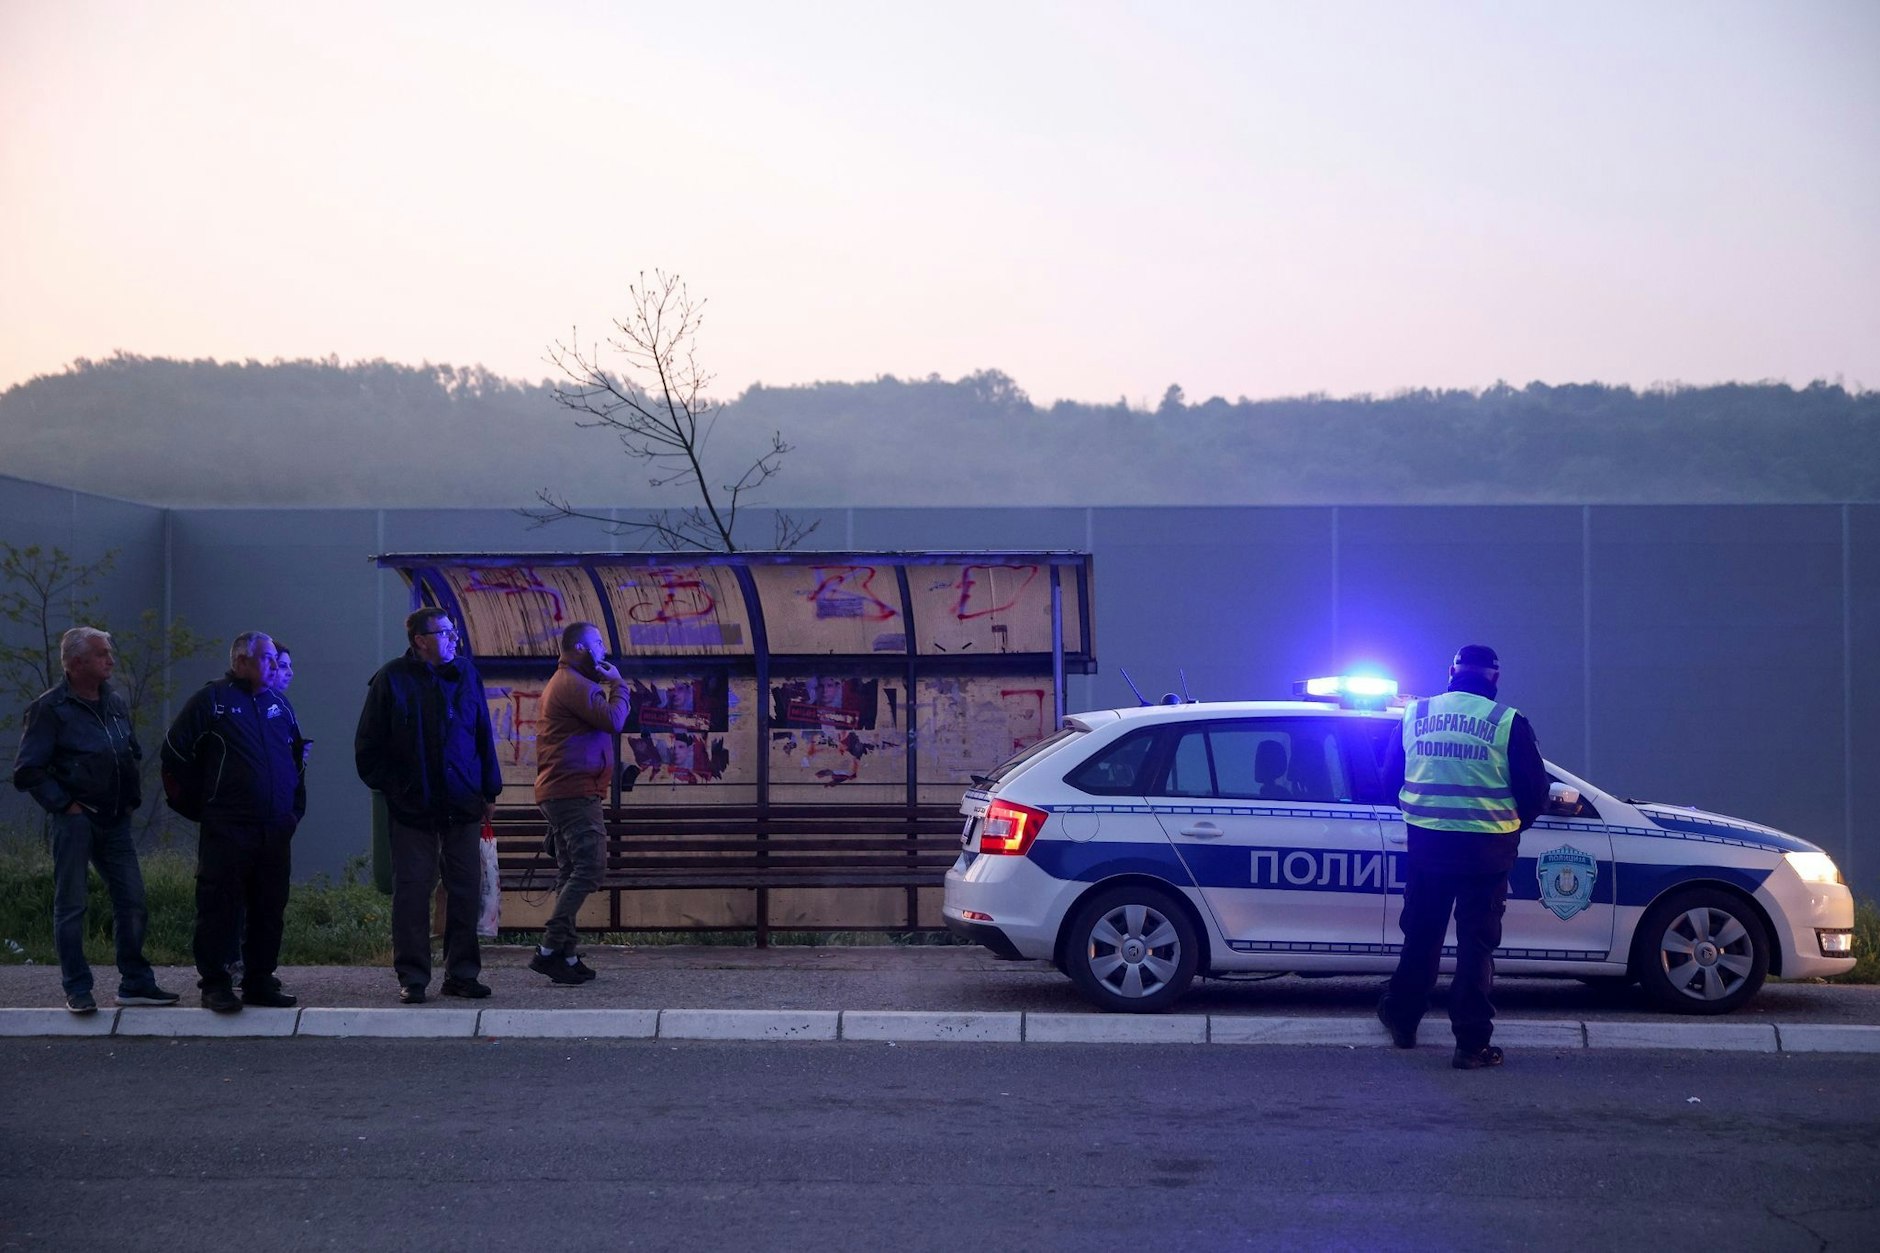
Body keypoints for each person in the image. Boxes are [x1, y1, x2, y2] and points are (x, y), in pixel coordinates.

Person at [1378, 644, 1550, 1069]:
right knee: (1476, 947)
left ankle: (1403, 1021)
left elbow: (1388, 779)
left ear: (1451, 672)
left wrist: (1422, 815)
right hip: (1487, 852)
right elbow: (1535, 793)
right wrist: (1511, 826)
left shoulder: (1415, 714)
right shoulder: (1507, 721)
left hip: (1428, 847)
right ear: (1495, 678)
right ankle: (1471, 1045)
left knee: (1422, 936)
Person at [11, 627, 180, 1014]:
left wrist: (131, 799)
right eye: (102, 654)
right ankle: (77, 988)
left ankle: (135, 982)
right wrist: (65, 805)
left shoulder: (114, 702)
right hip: (76, 820)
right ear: (76, 662)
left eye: (109, 652)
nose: (111, 660)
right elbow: (28, 770)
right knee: (71, 905)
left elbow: (129, 750)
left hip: (115, 819)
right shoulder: (49, 708)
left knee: (133, 900)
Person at [354, 608, 502, 1004]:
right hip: (413, 808)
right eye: (445, 633)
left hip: (462, 801)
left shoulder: (466, 673)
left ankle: (462, 974)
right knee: (413, 892)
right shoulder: (391, 679)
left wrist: (490, 791)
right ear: (420, 640)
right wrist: (397, 789)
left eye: (453, 632)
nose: (454, 639)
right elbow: (368, 748)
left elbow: (482, 733)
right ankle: (413, 976)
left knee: (465, 889)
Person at [161, 632, 305, 1013]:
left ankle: (259, 980)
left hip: (274, 827)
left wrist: (293, 812)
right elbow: (174, 752)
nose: (274, 665)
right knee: (219, 905)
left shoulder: (279, 704)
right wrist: (205, 806)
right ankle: (215, 983)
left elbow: (296, 758)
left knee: (269, 906)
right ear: (241, 661)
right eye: (267, 658)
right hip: (228, 826)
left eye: (275, 659)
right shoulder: (212, 700)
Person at [529, 621, 630, 984]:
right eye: (598, 642)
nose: (604, 649)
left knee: (571, 871)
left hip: (565, 789)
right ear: (580, 648)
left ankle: (567, 957)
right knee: (589, 869)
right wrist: (619, 684)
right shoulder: (574, 684)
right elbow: (614, 720)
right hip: (574, 791)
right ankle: (549, 949)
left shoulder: (571, 682)